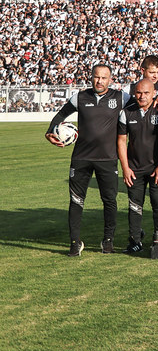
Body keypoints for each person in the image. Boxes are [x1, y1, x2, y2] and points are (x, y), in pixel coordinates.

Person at [46, 63, 131, 256]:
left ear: (111, 80)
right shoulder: (80, 97)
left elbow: (141, 106)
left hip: (108, 158)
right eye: (96, 76)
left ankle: (108, 241)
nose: (99, 81)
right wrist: (50, 132)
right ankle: (75, 242)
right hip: (81, 158)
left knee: (109, 200)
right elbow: (61, 115)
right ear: (91, 77)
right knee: (76, 201)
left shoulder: (121, 97)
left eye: (103, 77)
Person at [116, 79, 158, 253]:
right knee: (134, 205)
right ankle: (135, 240)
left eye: (146, 93)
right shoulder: (126, 113)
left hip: (156, 169)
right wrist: (125, 167)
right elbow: (121, 141)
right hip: (134, 169)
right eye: (138, 92)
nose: (142, 96)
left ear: (154, 93)